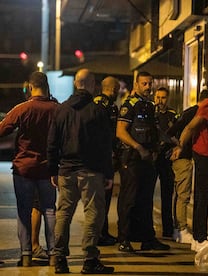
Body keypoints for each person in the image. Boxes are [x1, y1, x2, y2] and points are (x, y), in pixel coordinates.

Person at [47, 69, 114, 274]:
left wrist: (53, 169)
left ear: (76, 84)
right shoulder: (98, 111)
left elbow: (52, 142)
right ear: (92, 85)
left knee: (63, 213)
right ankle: (90, 259)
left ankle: (59, 258)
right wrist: (109, 173)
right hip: (91, 171)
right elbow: (106, 145)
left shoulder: (61, 110)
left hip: (66, 169)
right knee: (93, 213)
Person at [0, 72, 58, 267]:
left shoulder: (22, 109)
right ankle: (52, 255)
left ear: (31, 87)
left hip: (23, 168)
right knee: (49, 211)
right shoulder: (57, 109)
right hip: (48, 170)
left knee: (24, 211)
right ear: (46, 86)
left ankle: (25, 256)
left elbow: (2, 129)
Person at [171, 72, 208, 252]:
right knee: (204, 196)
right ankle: (200, 237)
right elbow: (191, 126)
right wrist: (180, 146)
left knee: (203, 196)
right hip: (204, 154)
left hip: (206, 153)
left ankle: (199, 236)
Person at [116, 71, 170, 252]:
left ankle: (148, 238)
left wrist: (166, 144)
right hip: (132, 159)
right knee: (129, 200)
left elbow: (154, 130)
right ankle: (124, 239)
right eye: (144, 84)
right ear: (137, 84)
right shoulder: (129, 104)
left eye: (150, 83)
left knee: (146, 201)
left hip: (148, 159)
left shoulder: (149, 105)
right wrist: (138, 148)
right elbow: (120, 131)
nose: (148, 87)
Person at [167, 89, 208, 244]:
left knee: (180, 194)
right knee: (183, 194)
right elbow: (172, 132)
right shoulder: (195, 113)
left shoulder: (189, 112)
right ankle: (181, 229)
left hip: (183, 157)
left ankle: (178, 228)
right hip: (183, 158)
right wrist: (179, 147)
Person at [93, 76, 120, 246]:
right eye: (117, 89)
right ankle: (100, 233)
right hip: (104, 158)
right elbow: (109, 133)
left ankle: (101, 232)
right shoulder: (108, 106)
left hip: (97, 158)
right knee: (103, 197)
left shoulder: (94, 103)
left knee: (100, 198)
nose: (118, 93)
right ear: (112, 89)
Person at [153, 87, 177, 238]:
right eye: (158, 97)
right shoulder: (151, 113)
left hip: (166, 158)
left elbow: (177, 135)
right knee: (147, 194)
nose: (160, 101)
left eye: (163, 98)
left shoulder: (172, 115)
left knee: (167, 195)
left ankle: (168, 229)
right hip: (153, 157)